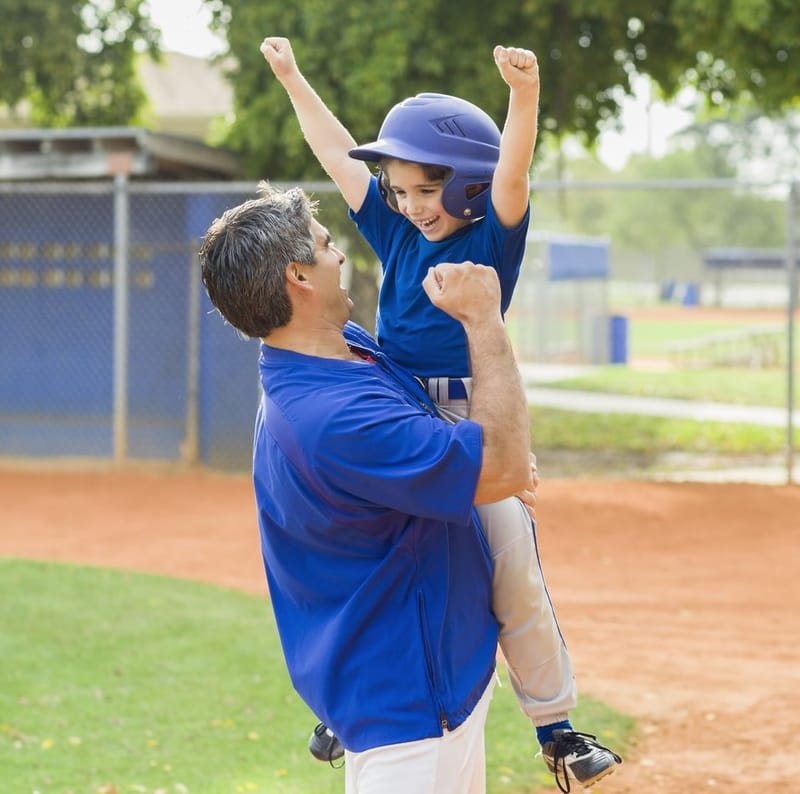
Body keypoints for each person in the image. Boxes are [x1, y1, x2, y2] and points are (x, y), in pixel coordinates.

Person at [260, 37, 622, 791]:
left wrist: (524, 97)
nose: (411, 207)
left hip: (467, 419)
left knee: (513, 566)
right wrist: (294, 76)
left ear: (465, 186)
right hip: (394, 404)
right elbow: (336, 155)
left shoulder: (494, 234)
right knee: (372, 560)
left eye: (427, 189)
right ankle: (345, 704)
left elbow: (515, 169)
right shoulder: (397, 232)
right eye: (399, 191)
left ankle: (555, 727)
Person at [199, 181, 536, 793]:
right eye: (326, 247)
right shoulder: (332, 415)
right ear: (299, 277)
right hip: (408, 710)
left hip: (424, 683)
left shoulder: (341, 350)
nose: (339, 256)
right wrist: (484, 318)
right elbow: (504, 469)